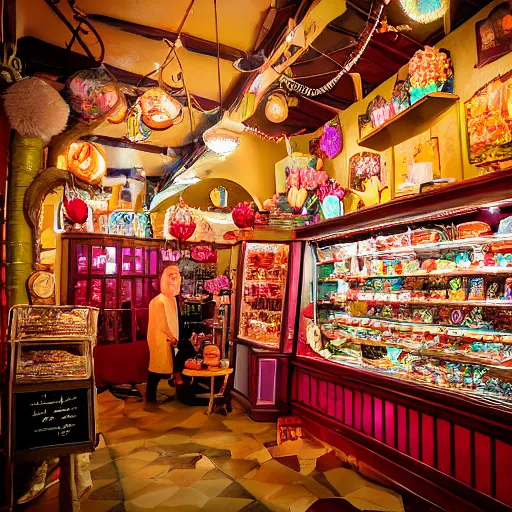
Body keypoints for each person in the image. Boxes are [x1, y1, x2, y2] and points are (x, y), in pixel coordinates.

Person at [146, 265, 181, 403]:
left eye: (176, 276)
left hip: (169, 337)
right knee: (156, 367)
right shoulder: (159, 301)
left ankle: (152, 396)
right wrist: (170, 335)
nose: (173, 280)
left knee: (162, 365)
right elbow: (162, 323)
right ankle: (150, 397)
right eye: (170, 277)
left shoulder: (172, 299)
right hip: (160, 338)